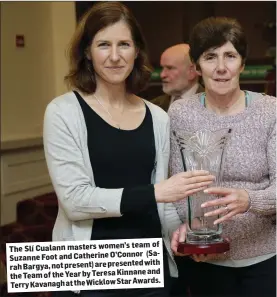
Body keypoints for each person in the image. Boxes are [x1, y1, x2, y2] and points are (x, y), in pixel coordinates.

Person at [43, 2, 215, 297]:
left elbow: (165, 204)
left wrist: (183, 231)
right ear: (86, 51)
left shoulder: (158, 117)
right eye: (103, 45)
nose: (114, 56)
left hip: (151, 267)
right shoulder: (62, 112)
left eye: (124, 44)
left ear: (136, 51)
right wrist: (156, 192)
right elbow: (74, 201)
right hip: (85, 270)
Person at [169, 17, 276, 297]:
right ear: (196, 66)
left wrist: (249, 199)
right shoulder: (181, 113)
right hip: (206, 260)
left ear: (242, 63)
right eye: (210, 57)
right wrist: (193, 231)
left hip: (267, 259)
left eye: (230, 56)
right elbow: (177, 186)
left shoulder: (271, 111)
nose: (220, 68)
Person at [151, 44, 203, 112]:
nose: (162, 75)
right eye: (162, 68)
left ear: (192, 71)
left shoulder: (214, 105)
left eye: (170, 68)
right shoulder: (152, 107)